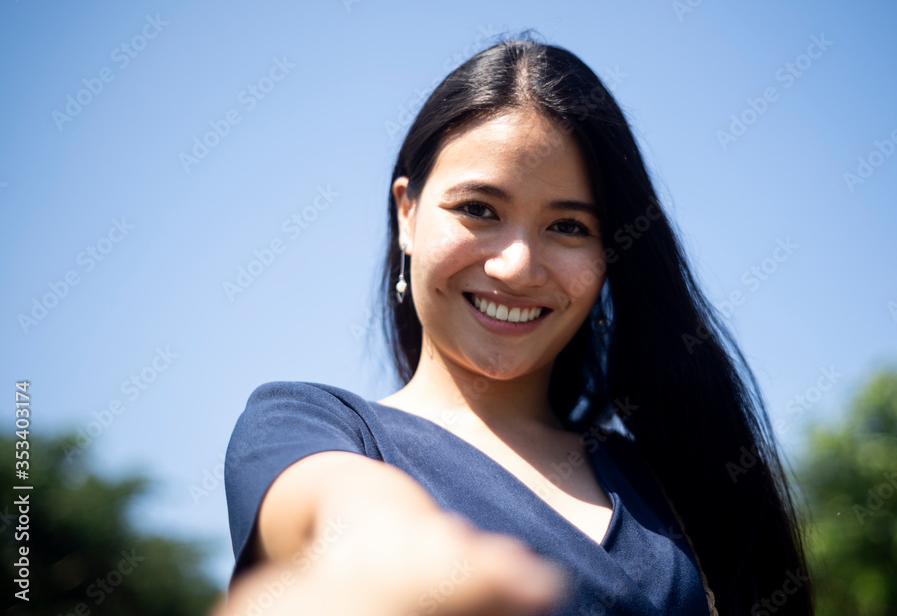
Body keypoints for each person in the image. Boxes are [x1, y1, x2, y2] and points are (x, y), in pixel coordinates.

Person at [212, 32, 813, 616]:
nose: (518, 267)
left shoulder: (673, 478)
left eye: (569, 226)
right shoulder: (307, 426)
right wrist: (408, 557)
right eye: (478, 210)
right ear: (407, 214)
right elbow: (338, 512)